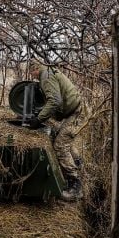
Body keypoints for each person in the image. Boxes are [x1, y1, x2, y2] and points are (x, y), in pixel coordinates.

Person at [28, 60, 84, 202]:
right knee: (62, 136)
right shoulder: (49, 71)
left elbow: (54, 101)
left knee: (60, 146)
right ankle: (78, 163)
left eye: (31, 73)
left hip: (76, 113)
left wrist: (39, 119)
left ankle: (75, 186)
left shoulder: (45, 76)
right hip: (76, 110)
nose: (32, 76)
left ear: (35, 68)